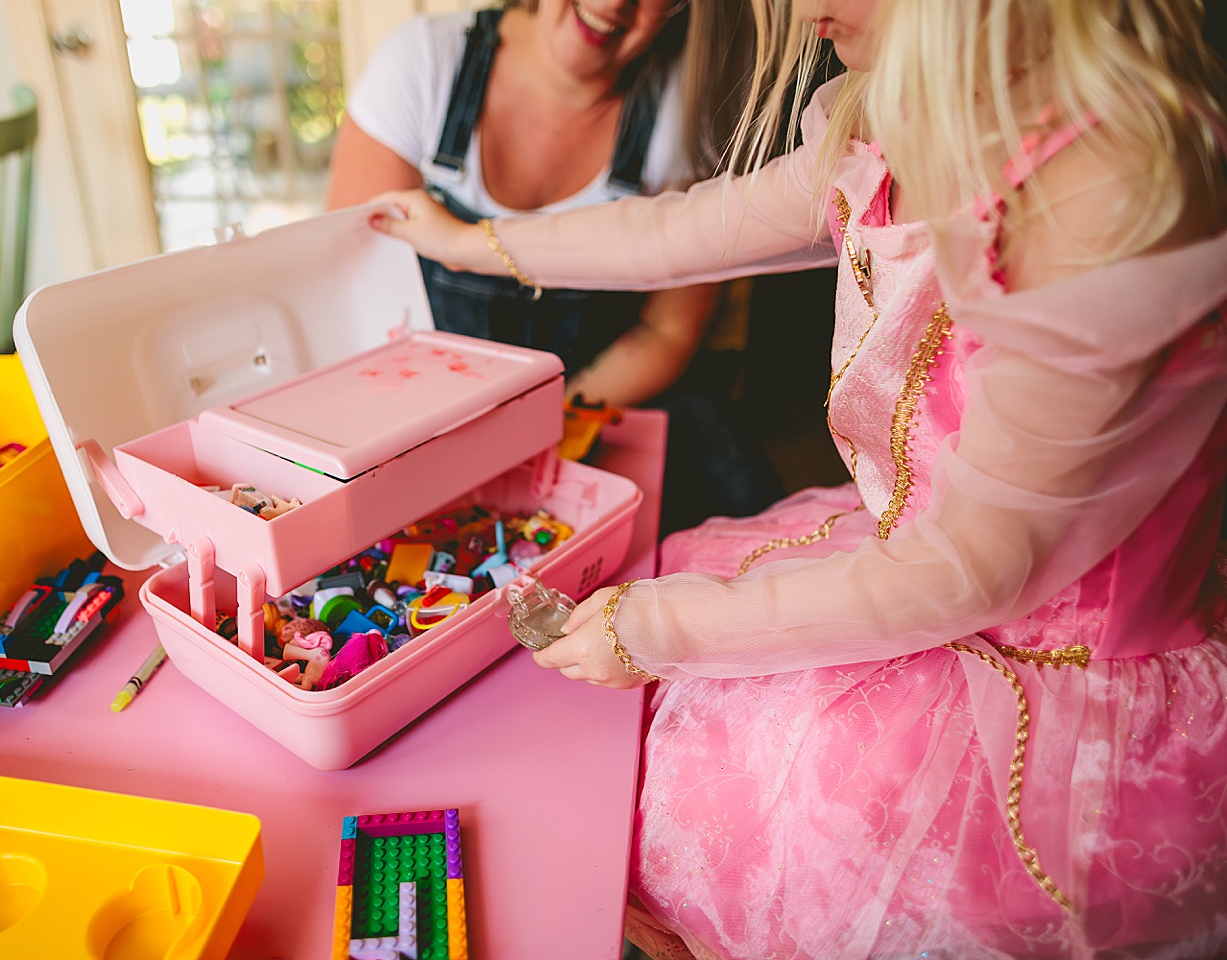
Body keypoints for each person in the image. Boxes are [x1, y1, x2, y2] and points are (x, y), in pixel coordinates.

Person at [367, 0, 1227, 956]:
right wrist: (472, 242)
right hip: (919, 574)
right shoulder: (888, 122)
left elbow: (974, 571)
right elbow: (686, 231)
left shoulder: (1108, 193)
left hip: (1053, 679)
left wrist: (655, 627)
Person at [327, 0, 787, 533]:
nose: (614, 3)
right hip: (415, 418)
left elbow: (667, 330)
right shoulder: (424, 64)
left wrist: (543, 423)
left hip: (597, 400)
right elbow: (351, 296)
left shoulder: (690, 114)